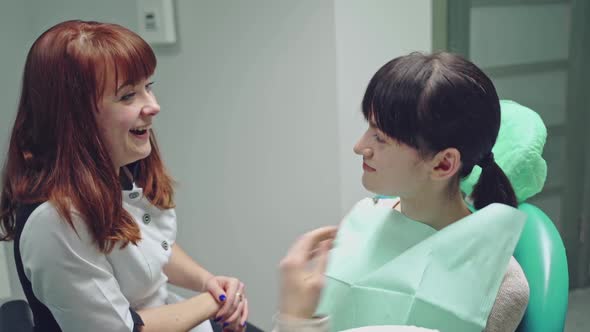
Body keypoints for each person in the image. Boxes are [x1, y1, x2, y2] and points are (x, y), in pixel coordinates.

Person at [0, 20, 247, 332]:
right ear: (75, 118)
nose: (153, 106)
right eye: (128, 95)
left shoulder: (118, 168)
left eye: (148, 87)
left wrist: (208, 282)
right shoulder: (55, 223)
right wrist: (217, 300)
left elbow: (152, 248)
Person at [314, 52, 530, 332]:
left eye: (380, 137)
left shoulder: (501, 283)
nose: (359, 146)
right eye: (369, 127)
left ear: (443, 163)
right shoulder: (363, 219)